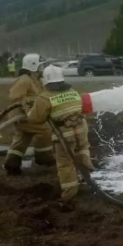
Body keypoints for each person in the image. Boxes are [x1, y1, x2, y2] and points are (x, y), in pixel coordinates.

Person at [26, 65, 93, 201]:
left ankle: (69, 193)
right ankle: (87, 179)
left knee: (65, 163)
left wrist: (28, 109)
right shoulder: (72, 91)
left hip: (65, 134)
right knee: (81, 153)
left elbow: (35, 119)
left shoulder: (44, 97)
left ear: (45, 80)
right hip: (81, 129)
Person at [3, 53, 55, 175]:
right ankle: (44, 158)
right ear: (33, 66)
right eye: (40, 66)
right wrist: (29, 103)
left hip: (28, 115)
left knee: (23, 138)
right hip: (23, 116)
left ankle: (12, 164)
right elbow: (15, 97)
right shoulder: (24, 80)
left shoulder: (34, 80)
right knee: (45, 130)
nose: (42, 68)